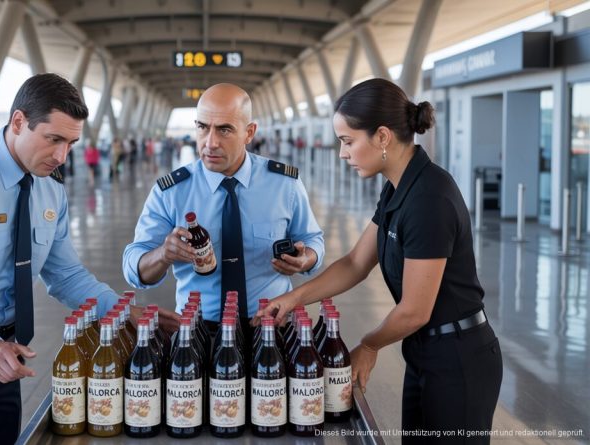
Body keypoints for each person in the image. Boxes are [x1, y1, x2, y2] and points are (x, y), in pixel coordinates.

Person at [0, 73, 178, 445]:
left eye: (71, 143)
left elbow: (65, 275)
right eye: (54, 139)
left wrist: (124, 312)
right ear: (18, 122)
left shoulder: (50, 190)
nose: (62, 155)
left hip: (6, 352)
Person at [254, 78, 502, 443]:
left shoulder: (429, 199)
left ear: (382, 136)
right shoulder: (397, 188)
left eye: (348, 141)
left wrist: (369, 345)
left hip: (459, 361)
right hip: (425, 353)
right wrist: (292, 299)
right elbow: (356, 262)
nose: (342, 153)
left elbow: (415, 310)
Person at [122, 83, 325, 349]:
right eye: (203, 127)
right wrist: (163, 254)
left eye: (225, 129)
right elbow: (133, 268)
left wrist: (305, 258)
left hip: (271, 328)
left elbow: (313, 240)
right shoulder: (171, 191)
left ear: (249, 132)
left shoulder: (284, 184)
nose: (210, 142)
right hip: (197, 334)